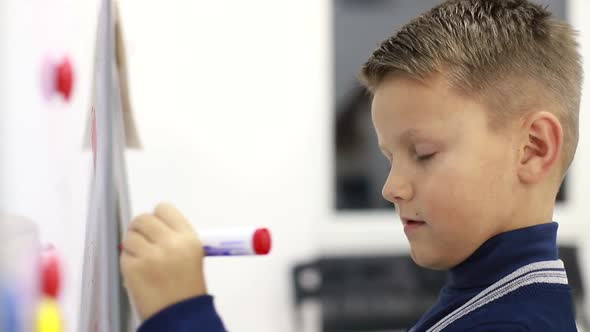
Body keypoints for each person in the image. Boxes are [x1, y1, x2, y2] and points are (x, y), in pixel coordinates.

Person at [120, 0, 583, 331]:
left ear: (532, 149)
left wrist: (181, 313)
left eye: (423, 153)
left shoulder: (514, 323)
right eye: (388, 158)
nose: (392, 187)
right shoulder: (486, 295)